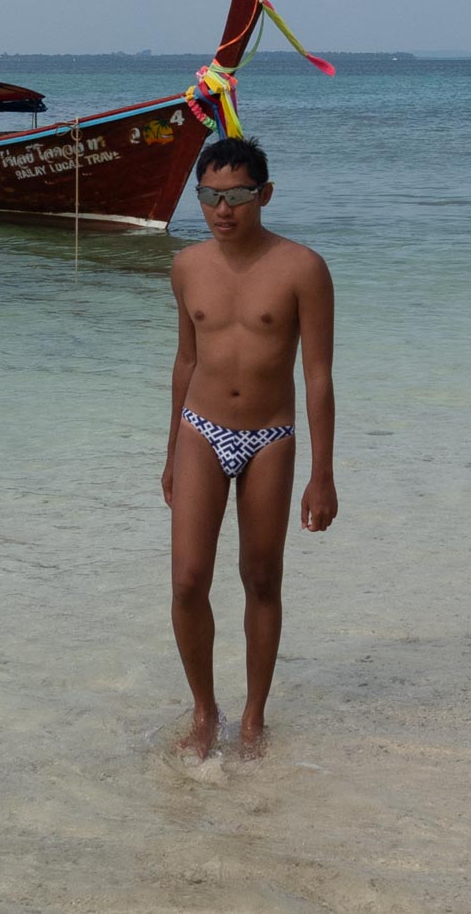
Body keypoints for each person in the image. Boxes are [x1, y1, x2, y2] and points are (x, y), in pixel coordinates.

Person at [162, 136, 338, 760]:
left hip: (270, 436)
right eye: (209, 196)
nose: (223, 209)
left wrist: (323, 474)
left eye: (237, 195)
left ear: (264, 195)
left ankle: (254, 719)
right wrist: (169, 453)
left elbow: (318, 375)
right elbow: (186, 360)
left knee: (261, 579)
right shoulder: (187, 266)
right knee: (188, 581)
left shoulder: (302, 269)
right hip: (200, 430)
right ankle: (204, 711)